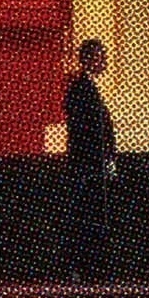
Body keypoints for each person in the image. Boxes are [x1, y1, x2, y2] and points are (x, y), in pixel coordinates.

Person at [59, 36, 117, 276]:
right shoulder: (80, 89)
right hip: (87, 164)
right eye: (101, 57)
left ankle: (88, 265)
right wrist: (101, 158)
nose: (105, 62)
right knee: (85, 215)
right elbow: (86, 130)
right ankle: (83, 266)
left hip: (92, 163)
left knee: (88, 214)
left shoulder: (86, 88)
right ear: (90, 59)